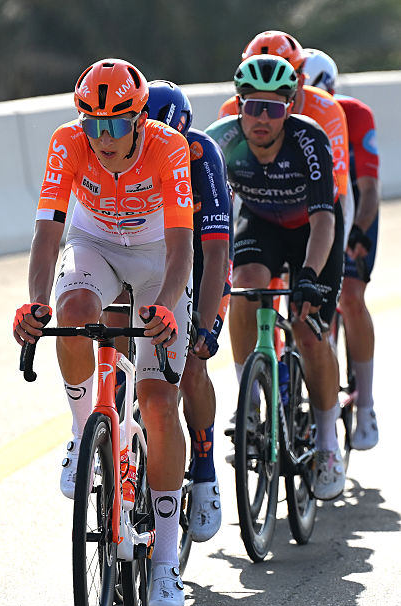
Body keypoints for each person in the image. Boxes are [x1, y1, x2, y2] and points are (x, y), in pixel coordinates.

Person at [12, 58, 192, 606]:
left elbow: (184, 247)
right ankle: (80, 430)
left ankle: (164, 565)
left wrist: (162, 307)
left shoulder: (169, 149)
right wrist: (36, 300)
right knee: (73, 310)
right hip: (95, 247)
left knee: (159, 403)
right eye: (93, 124)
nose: (103, 137)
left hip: (158, 258)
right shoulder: (68, 143)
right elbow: (48, 232)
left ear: (139, 120)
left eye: (115, 125)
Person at [205, 54, 347, 499]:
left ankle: (326, 441)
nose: (262, 118)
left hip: (312, 229)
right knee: (245, 284)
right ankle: (249, 399)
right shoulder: (220, 142)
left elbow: (326, 220)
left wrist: (308, 274)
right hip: (262, 224)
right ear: (238, 105)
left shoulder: (310, 139)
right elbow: (197, 219)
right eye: (252, 106)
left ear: (291, 107)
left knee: (307, 328)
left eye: (274, 108)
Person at [145, 79, 233, 542]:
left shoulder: (203, 156)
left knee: (193, 364)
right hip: (148, 261)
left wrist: (203, 325)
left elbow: (215, 252)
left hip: (201, 261)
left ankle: (203, 469)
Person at [302, 47, 381, 450]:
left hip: (351, 212)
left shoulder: (356, 115)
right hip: (303, 214)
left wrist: (357, 234)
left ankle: (365, 403)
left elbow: (367, 189)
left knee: (350, 295)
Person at [216, 30, 354, 240]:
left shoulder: (327, 109)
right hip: (262, 205)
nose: (268, 89)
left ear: (300, 80)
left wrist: (335, 245)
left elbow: (339, 187)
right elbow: (222, 191)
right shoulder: (231, 111)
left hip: (315, 202)